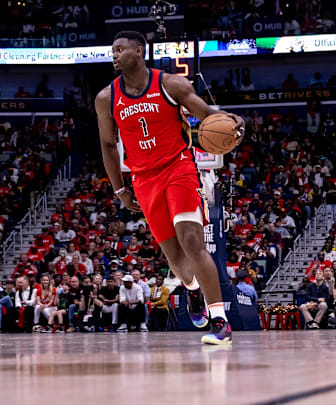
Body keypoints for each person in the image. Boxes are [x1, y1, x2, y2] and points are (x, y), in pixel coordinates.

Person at [95, 31, 245, 345]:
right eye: (113, 50)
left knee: (191, 239)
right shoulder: (106, 98)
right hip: (143, 178)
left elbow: (206, 114)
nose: (114, 54)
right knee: (174, 257)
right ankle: (191, 291)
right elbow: (109, 146)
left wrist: (232, 120)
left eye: (120, 49)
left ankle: (219, 321)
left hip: (178, 166)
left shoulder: (171, 84)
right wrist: (120, 190)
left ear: (139, 51)